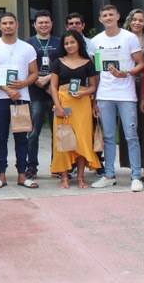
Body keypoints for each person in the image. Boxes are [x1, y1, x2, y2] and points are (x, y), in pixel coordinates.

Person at [90, 5, 144, 192]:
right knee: (107, 137)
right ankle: (109, 175)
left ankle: (136, 175)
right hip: (105, 94)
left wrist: (127, 73)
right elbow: (96, 71)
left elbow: (141, 63)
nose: (108, 18)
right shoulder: (96, 40)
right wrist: (94, 98)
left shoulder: (128, 38)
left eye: (111, 15)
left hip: (126, 94)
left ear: (118, 16)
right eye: (104, 15)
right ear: (100, 19)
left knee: (131, 136)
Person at [0, 12, 39, 189]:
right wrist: (8, 90)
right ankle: (1, 175)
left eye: (11, 23)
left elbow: (34, 73)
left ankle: (22, 175)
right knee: (0, 138)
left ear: (17, 25)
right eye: (4, 23)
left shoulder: (27, 48)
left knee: (22, 138)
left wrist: (23, 83)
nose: (8, 26)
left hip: (21, 98)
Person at [49, 30, 100, 189]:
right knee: (63, 139)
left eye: (72, 42)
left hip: (82, 104)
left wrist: (84, 92)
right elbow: (52, 86)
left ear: (79, 43)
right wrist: (57, 106)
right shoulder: (58, 62)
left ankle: (80, 177)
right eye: (66, 43)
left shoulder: (88, 62)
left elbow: (93, 86)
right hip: (63, 103)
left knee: (82, 140)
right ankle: (64, 176)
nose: (69, 45)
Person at [119, 8, 144, 181]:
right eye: (134, 19)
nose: (137, 23)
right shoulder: (121, 37)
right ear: (129, 20)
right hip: (124, 87)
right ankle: (133, 165)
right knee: (127, 127)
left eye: (140, 20)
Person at [26, 10, 61, 179]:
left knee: (58, 131)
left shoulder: (60, 43)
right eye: (40, 22)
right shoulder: (28, 44)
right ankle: (32, 167)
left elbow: (64, 65)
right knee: (33, 133)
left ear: (51, 24)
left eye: (46, 22)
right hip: (35, 93)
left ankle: (58, 166)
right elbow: (23, 67)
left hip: (55, 92)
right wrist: (37, 80)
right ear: (35, 25)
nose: (44, 25)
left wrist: (48, 77)